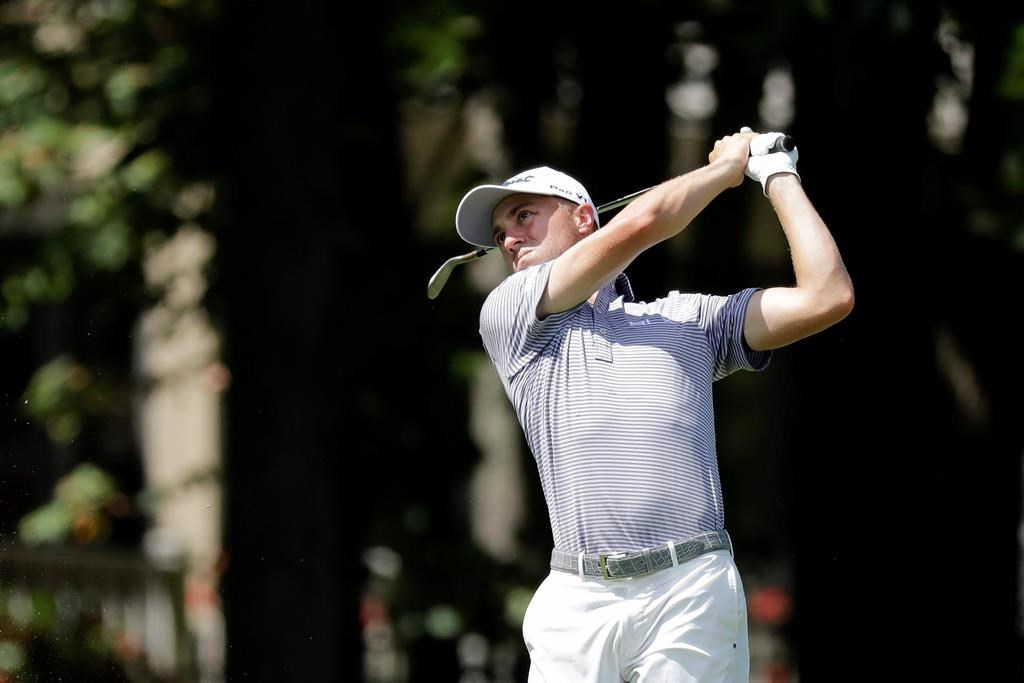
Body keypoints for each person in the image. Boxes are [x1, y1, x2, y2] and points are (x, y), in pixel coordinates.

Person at [453, 129, 853, 682]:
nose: (510, 239)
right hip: (577, 600)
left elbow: (826, 297)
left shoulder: (687, 319)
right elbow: (641, 225)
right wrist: (722, 171)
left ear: (584, 218)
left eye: (524, 216)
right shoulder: (511, 314)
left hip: (690, 587)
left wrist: (776, 174)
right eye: (500, 233)